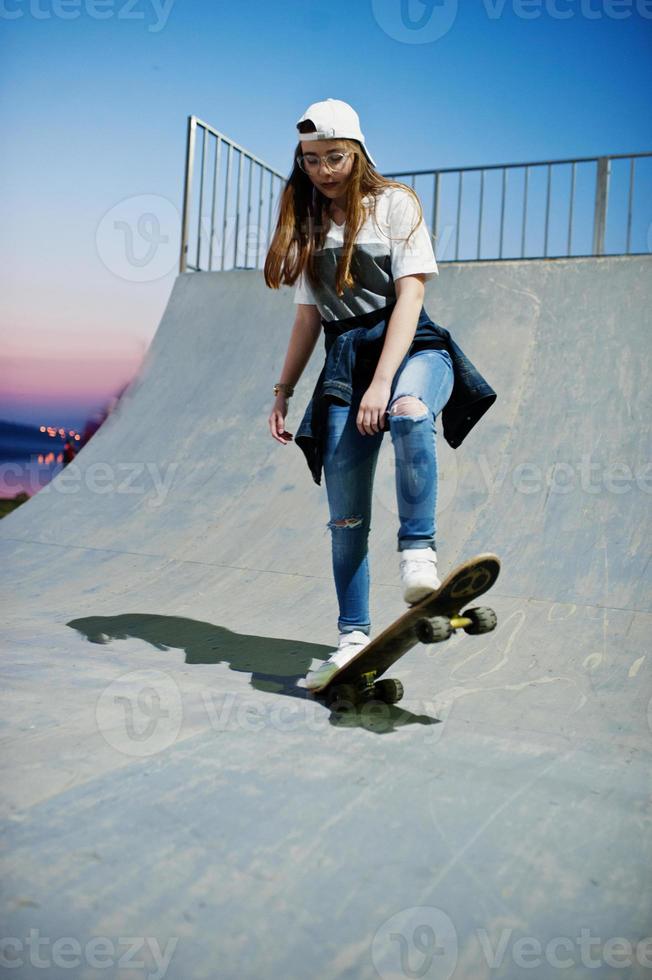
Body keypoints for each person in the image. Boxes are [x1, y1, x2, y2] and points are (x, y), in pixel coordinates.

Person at [264, 98, 496, 692]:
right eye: (311, 160)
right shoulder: (309, 222)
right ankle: (351, 637)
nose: (323, 170)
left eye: (334, 157)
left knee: (410, 413)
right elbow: (308, 318)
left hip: (413, 347)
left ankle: (419, 554)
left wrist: (382, 381)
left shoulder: (395, 204)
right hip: (343, 365)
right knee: (345, 517)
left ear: (358, 152)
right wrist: (284, 389)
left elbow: (411, 296)